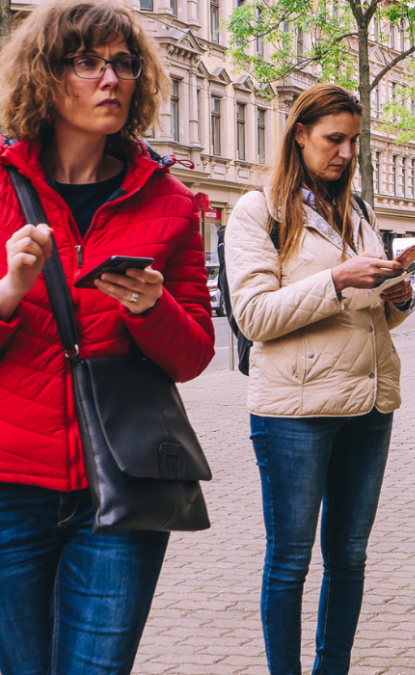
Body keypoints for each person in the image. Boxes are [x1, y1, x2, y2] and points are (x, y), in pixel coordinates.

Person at [0, 1, 214, 672]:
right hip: (9, 486)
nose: (110, 79)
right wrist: (10, 292)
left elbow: (195, 354)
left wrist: (151, 310)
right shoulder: (3, 187)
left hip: (121, 483)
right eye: (86, 62)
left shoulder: (169, 202)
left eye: (123, 64)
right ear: (44, 75)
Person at [225, 83, 415, 675]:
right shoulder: (259, 210)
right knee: (289, 560)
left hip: (368, 405)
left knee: (350, 557)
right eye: (334, 139)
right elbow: (253, 315)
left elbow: (376, 312)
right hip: (294, 417)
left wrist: (397, 294)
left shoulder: (358, 211)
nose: (345, 153)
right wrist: (337, 280)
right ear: (299, 134)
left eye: (354, 142)